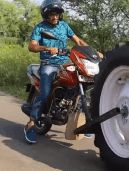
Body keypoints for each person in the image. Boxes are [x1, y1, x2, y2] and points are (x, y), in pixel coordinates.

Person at [24, 0, 102, 143]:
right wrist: (47, 48)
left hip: (64, 63)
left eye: (57, 14)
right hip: (49, 64)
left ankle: (85, 121)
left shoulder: (64, 26)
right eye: (52, 15)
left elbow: (78, 42)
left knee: (81, 85)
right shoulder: (40, 28)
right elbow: (32, 46)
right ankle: (31, 124)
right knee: (45, 93)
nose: (55, 17)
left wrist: (94, 53)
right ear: (46, 15)